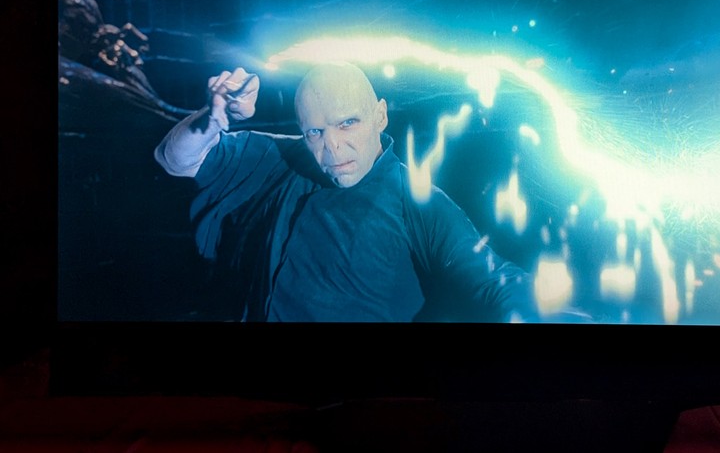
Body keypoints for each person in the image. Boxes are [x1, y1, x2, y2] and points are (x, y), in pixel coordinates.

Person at [154, 63, 538, 323]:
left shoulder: (417, 200)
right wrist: (214, 116)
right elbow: (175, 160)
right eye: (315, 132)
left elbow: (497, 282)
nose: (333, 147)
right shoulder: (284, 158)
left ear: (380, 116)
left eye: (347, 123)